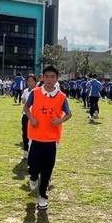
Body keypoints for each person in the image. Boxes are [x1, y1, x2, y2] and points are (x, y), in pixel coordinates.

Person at [23, 65, 72, 211]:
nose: (50, 79)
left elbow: (69, 113)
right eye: (47, 76)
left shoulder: (62, 97)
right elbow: (26, 108)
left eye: (53, 77)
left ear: (57, 79)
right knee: (33, 166)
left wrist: (60, 121)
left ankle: (43, 197)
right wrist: (31, 118)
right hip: (35, 137)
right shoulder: (35, 92)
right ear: (42, 77)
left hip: (52, 139)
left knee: (47, 169)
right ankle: (32, 177)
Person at [20, 74, 37, 160]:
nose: (30, 83)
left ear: (35, 82)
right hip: (25, 115)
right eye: (28, 81)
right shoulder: (26, 91)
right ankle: (26, 151)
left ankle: (33, 151)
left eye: (32, 81)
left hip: (34, 116)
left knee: (34, 135)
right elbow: (23, 100)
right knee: (25, 133)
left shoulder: (38, 91)